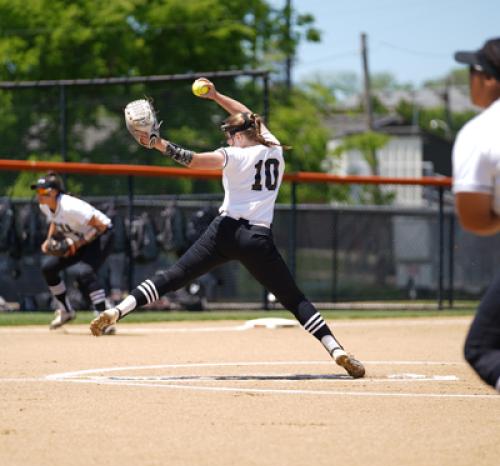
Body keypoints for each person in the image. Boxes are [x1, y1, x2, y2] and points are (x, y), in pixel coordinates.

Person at [91, 79, 365, 378]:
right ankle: (335, 349)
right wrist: (216, 96)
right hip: (257, 238)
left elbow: (192, 161)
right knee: (294, 299)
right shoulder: (273, 148)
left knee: (172, 277)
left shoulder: (233, 155)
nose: (228, 138)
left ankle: (118, 311)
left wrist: (157, 142)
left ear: (238, 135)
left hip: (224, 232)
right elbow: (248, 114)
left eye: (229, 134)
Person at [452, 38, 500, 392]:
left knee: (483, 348)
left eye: (474, 71)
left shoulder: (481, 131)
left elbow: (474, 219)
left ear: (489, 79)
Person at [32, 172, 115, 331]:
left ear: (54, 192)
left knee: (84, 271)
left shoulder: (71, 207)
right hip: (79, 239)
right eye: (37, 191)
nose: (39, 194)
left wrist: (78, 244)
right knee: (49, 268)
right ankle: (66, 310)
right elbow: (54, 221)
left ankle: (103, 316)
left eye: (43, 191)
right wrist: (48, 240)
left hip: (102, 235)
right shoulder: (44, 205)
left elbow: (101, 226)